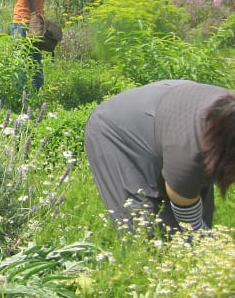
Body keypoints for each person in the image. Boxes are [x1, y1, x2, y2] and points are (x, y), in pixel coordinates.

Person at [84, 80, 235, 233]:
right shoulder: (188, 155)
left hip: (168, 111)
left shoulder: (226, 119)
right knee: (146, 227)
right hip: (117, 132)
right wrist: (204, 240)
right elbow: (187, 213)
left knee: (203, 212)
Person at [6, 0, 49, 90]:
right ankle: (37, 91)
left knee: (19, 59)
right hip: (37, 23)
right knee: (36, 59)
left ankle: (19, 93)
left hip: (22, 22)